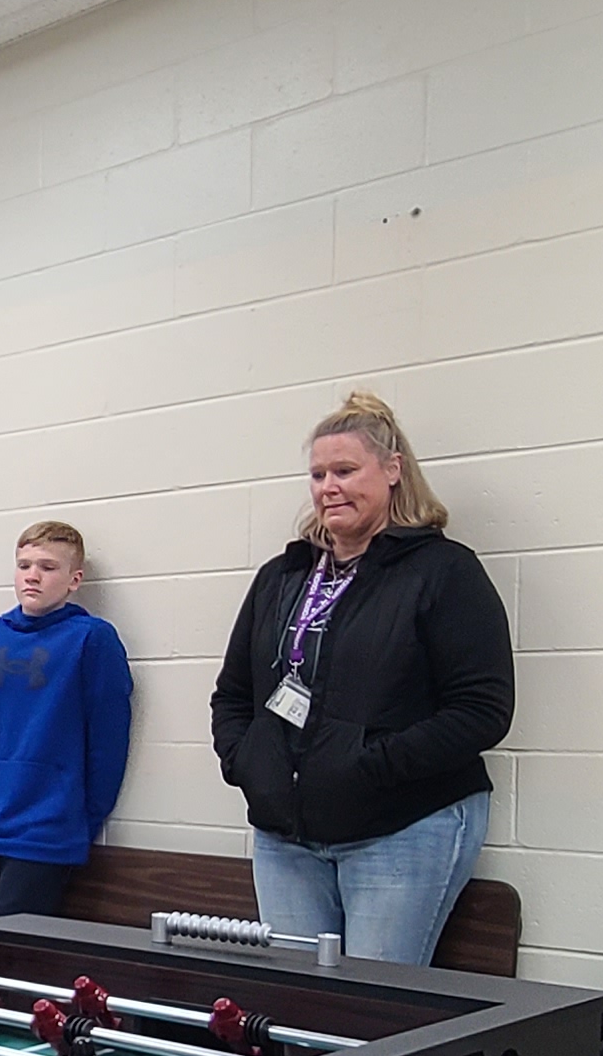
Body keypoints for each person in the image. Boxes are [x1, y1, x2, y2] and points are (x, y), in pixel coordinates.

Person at [206, 391, 515, 966]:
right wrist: (248, 762)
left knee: (373, 1015)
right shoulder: (282, 576)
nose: (329, 486)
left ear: (393, 471)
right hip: (286, 835)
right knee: (298, 1012)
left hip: (400, 827)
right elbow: (234, 694)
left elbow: (482, 710)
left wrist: (371, 766)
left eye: (346, 470)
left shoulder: (443, 571)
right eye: (319, 473)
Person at [0, 520, 132, 921]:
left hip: (45, 830)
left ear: (74, 579)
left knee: (9, 961)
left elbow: (108, 740)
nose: (32, 576)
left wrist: (79, 817)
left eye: (48, 567)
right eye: (24, 565)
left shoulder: (92, 639)